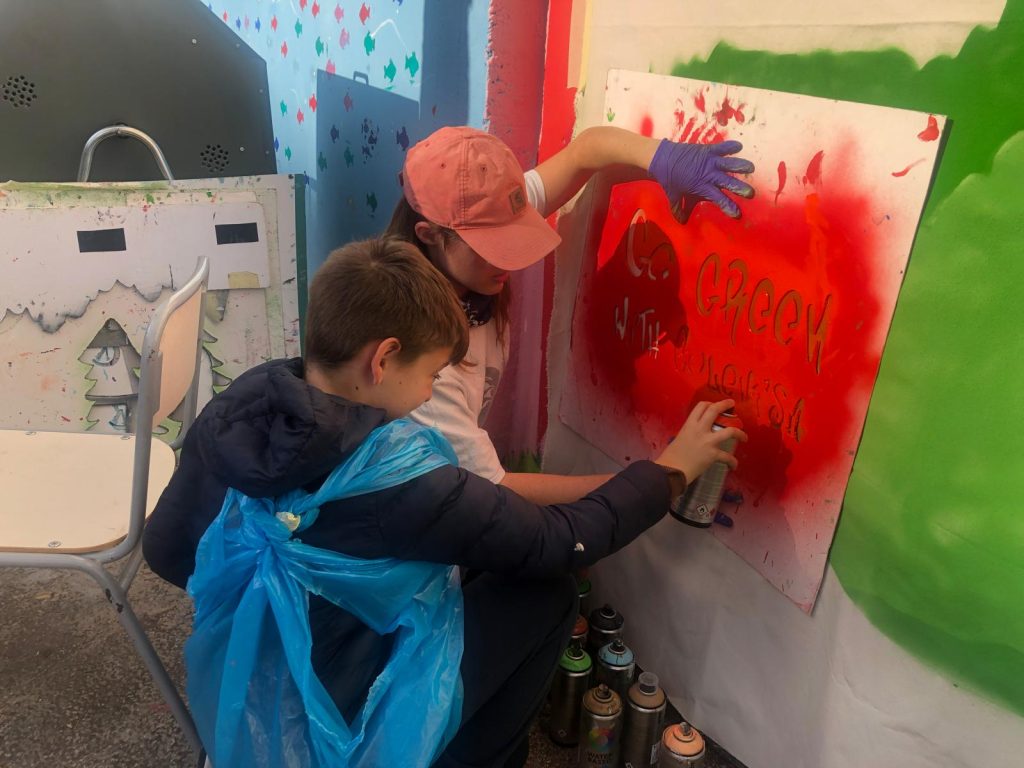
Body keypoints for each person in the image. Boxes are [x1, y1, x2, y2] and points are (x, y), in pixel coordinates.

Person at [142, 237, 746, 768]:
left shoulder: (238, 411)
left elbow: (167, 551)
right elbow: (562, 540)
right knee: (548, 594)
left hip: (249, 678)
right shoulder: (397, 483)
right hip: (347, 707)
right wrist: (669, 471)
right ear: (383, 359)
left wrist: (286, 606)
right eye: (432, 373)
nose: (431, 391)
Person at [387, 126, 754, 504]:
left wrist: (662, 156)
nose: (508, 260)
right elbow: (494, 491)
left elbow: (586, 151)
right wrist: (662, 480)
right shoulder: (419, 359)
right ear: (429, 235)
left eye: (512, 235)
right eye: (490, 246)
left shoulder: (488, 209)